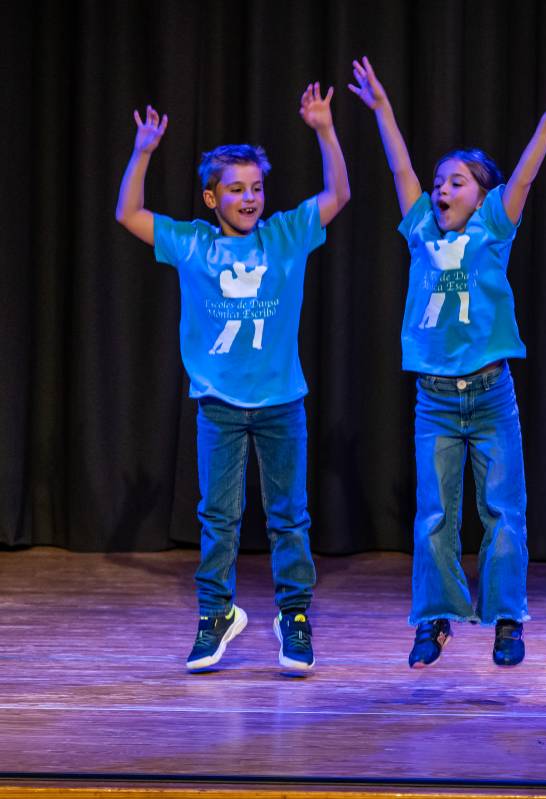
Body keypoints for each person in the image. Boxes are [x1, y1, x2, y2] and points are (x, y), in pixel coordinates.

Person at [349, 56, 546, 668]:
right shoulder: (421, 227)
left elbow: (526, 180)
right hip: (434, 398)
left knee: (503, 511)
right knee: (434, 515)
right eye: (440, 180)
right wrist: (381, 109)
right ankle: (435, 619)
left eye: (456, 181)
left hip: (490, 395)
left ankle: (508, 618)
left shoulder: (493, 230)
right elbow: (399, 165)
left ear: (482, 194)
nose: (441, 188)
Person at [114, 83, 351, 675]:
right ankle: (215, 614)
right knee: (217, 518)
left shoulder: (286, 236)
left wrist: (324, 129)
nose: (250, 198)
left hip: (281, 405)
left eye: (257, 188)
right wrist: (143, 151)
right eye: (237, 190)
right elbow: (128, 214)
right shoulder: (193, 245)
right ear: (211, 197)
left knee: (288, 515)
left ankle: (293, 615)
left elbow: (339, 193)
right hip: (218, 404)